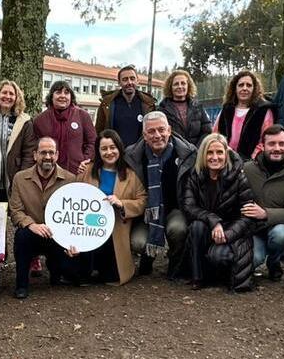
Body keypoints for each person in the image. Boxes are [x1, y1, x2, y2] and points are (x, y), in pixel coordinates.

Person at [125, 111, 197, 278]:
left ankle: (175, 261)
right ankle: (147, 258)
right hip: (146, 212)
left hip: (175, 208)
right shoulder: (131, 155)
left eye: (161, 130)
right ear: (144, 134)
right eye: (151, 131)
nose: (157, 135)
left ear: (169, 130)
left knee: (178, 229)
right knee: (137, 242)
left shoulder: (188, 153)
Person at [181, 133, 257, 292]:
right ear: (203, 154)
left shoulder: (239, 177)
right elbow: (189, 206)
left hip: (233, 232)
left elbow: (247, 215)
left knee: (219, 257)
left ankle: (221, 275)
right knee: (196, 226)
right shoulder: (195, 175)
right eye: (210, 152)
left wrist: (227, 234)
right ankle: (197, 277)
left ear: (226, 154)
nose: (214, 157)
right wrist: (213, 221)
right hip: (208, 227)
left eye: (219, 152)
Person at [8, 137, 81, 299]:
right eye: (43, 153)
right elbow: (15, 211)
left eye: (51, 153)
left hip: (58, 236)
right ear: (35, 155)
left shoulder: (70, 179)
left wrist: (74, 240)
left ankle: (56, 272)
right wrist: (31, 224)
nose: (47, 156)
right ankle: (21, 284)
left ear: (57, 155)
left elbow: (75, 214)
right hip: (32, 234)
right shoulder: (20, 178)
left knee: (73, 273)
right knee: (21, 235)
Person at [77, 130, 146, 284]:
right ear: (98, 151)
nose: (109, 152)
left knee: (112, 277)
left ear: (119, 149)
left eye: (113, 147)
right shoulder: (87, 170)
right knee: (80, 276)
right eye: (104, 149)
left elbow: (142, 200)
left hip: (116, 230)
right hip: (88, 229)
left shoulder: (130, 174)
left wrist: (123, 204)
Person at [242, 126, 284, 281]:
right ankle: (258, 257)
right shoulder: (248, 168)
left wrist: (266, 214)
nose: (277, 148)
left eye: (282, 144)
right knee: (253, 260)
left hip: (278, 227)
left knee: (281, 234)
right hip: (253, 229)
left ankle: (274, 260)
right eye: (271, 144)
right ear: (263, 146)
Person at [16, 80, 95, 175]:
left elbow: (92, 142)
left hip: (77, 172)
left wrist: (85, 160)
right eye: (58, 92)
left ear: (71, 96)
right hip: (48, 174)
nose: (63, 96)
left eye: (66, 93)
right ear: (51, 96)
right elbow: (33, 147)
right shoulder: (40, 120)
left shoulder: (82, 115)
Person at [0, 79, 32, 198]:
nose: (7, 96)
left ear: (17, 97)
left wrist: (21, 178)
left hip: (13, 176)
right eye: (4, 92)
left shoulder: (24, 121)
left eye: (11, 94)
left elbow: (29, 153)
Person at [215, 70, 275, 159]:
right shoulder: (227, 109)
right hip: (226, 159)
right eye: (241, 85)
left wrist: (253, 158)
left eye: (249, 85)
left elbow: (266, 139)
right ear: (235, 88)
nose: (244, 88)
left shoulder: (263, 110)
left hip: (251, 161)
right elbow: (216, 134)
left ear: (254, 88)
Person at [94, 65, 156, 148]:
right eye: (125, 79)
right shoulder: (107, 104)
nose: (129, 82)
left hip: (140, 155)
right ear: (119, 82)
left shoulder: (148, 104)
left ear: (138, 81)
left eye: (132, 78)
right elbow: (99, 131)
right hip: (115, 154)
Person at [158, 69, 212, 148]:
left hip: (196, 153)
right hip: (173, 154)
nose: (180, 86)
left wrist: (197, 149)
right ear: (170, 87)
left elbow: (207, 131)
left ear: (188, 86)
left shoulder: (198, 107)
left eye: (183, 83)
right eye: (176, 84)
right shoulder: (162, 109)